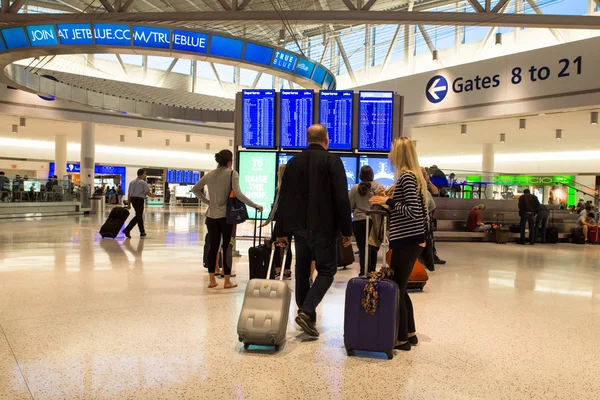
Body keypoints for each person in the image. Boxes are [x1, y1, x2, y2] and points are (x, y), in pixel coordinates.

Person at [275, 124, 352, 337]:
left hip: (299, 228)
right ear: (326, 140)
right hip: (325, 227)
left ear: (306, 140)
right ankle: (306, 311)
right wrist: (347, 230)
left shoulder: (293, 162)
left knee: (301, 270)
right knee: (327, 270)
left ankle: (307, 316)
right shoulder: (332, 161)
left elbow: (285, 198)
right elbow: (341, 199)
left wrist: (280, 231)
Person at [369, 137, 427, 352]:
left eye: (391, 150)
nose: (388, 155)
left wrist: (388, 202)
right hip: (410, 240)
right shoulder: (411, 177)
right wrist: (389, 204)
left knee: (397, 289)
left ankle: (400, 338)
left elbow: (412, 211)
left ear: (399, 153)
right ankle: (410, 333)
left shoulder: (407, 178)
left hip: (407, 240)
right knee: (401, 289)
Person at [192, 149, 263, 289]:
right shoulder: (232, 173)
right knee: (227, 247)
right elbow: (238, 194)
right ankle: (227, 281)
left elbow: (195, 189)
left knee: (213, 247)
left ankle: (212, 280)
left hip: (211, 216)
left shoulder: (210, 174)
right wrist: (255, 205)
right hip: (227, 217)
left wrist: (207, 202)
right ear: (230, 162)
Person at [349, 165, 384, 276]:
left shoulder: (355, 188)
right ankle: (372, 271)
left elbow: (350, 206)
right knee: (373, 247)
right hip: (375, 221)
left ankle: (363, 271)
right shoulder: (379, 187)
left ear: (360, 175)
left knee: (363, 248)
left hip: (359, 221)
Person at [262, 164, 292, 280]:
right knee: (287, 245)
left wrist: (269, 220)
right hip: (290, 222)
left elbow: (275, 207)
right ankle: (287, 270)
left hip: (281, 221)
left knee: (274, 243)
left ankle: (277, 269)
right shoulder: (292, 188)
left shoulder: (280, 189)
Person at [422, 167, 446, 265]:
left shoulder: (427, 187)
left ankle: (432, 256)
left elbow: (436, 192)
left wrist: (429, 182)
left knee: (429, 238)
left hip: (427, 216)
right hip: (421, 217)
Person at [123, 168, 155, 239]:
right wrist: (153, 195)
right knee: (138, 216)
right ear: (142, 174)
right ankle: (127, 229)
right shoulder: (143, 183)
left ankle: (142, 231)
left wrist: (129, 204)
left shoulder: (132, 182)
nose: (145, 175)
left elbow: (129, 194)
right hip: (139, 200)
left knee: (139, 215)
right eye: (145, 173)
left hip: (133, 200)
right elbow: (147, 192)